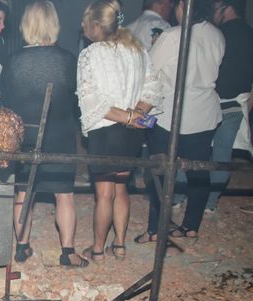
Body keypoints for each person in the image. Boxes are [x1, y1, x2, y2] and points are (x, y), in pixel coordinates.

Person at [1, 0, 88, 267]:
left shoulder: (13, 61)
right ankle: (68, 252)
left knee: (24, 193)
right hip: (60, 134)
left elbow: (5, 100)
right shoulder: (67, 60)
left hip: (26, 135)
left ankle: (22, 247)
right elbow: (77, 100)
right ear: (54, 24)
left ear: (26, 24)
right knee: (64, 194)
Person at [77, 0, 161, 262]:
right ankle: (121, 245)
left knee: (104, 193)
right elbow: (153, 90)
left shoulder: (91, 54)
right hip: (132, 132)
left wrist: (125, 116)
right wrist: (136, 115)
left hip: (106, 131)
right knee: (121, 189)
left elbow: (93, 102)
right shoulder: (137, 51)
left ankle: (99, 249)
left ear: (96, 25)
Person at [134, 0, 224, 244]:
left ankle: (155, 228)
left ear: (185, 6)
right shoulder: (216, 34)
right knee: (198, 172)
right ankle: (191, 226)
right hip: (204, 114)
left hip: (170, 115)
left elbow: (149, 72)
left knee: (159, 172)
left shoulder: (173, 36)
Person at [205, 0, 253, 213]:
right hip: (237, 104)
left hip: (210, 102)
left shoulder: (217, 34)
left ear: (227, 8)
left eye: (216, 8)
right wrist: (247, 106)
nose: (214, 13)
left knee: (192, 152)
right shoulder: (250, 34)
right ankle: (210, 204)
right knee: (222, 156)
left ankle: (179, 198)